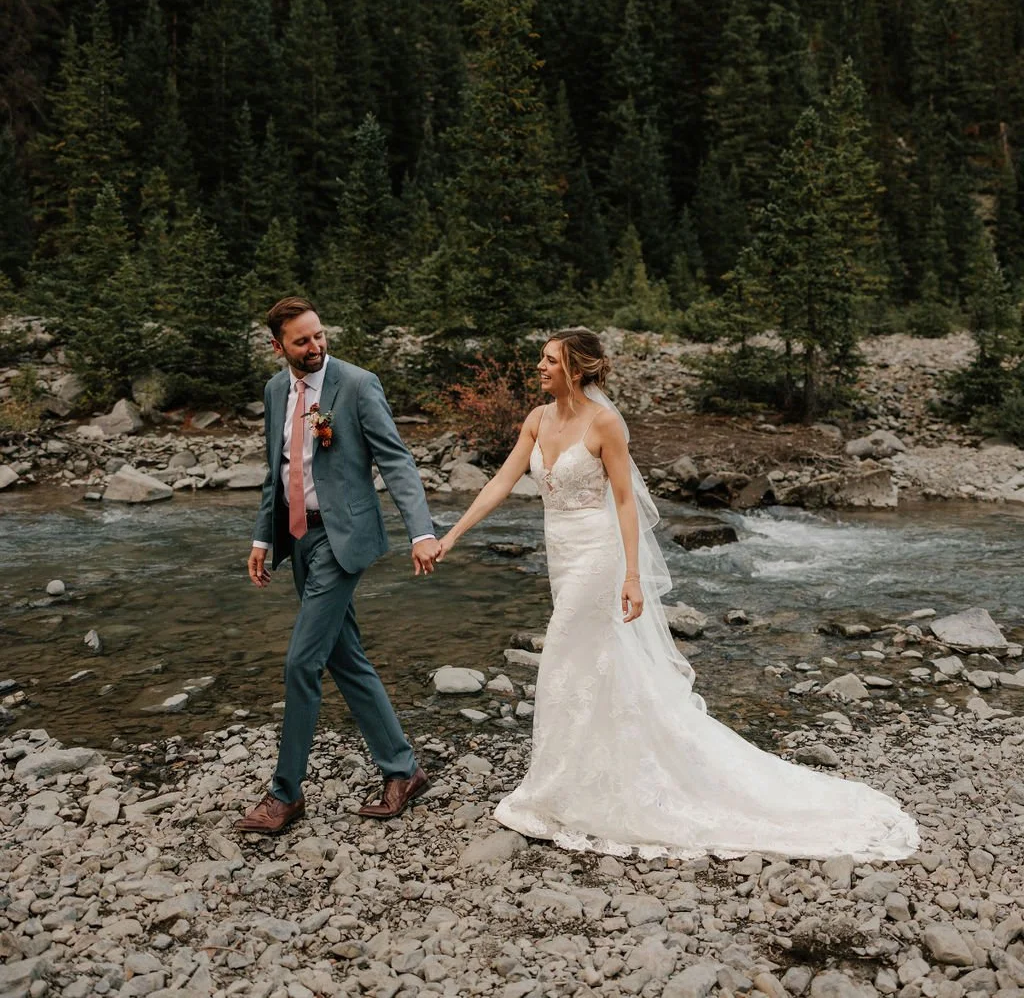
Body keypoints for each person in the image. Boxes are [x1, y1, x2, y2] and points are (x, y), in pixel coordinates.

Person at [437, 327, 919, 861]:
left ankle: (558, 786)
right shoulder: (537, 419)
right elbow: (502, 482)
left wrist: (631, 577)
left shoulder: (605, 424)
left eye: (549, 360)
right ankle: (586, 774)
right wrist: (451, 536)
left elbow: (624, 502)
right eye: (541, 359)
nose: (539, 367)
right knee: (591, 664)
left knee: (561, 658)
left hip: (598, 556)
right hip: (561, 552)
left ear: (576, 370)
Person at [235, 297, 442, 835]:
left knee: (302, 663)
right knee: (345, 659)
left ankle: (285, 796)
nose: (316, 346)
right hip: (298, 538)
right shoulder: (276, 389)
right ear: (278, 346)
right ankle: (403, 770)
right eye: (302, 340)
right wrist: (263, 538)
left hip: (341, 539)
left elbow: (396, 459)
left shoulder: (356, 384)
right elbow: (275, 473)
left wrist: (421, 531)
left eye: (319, 335)